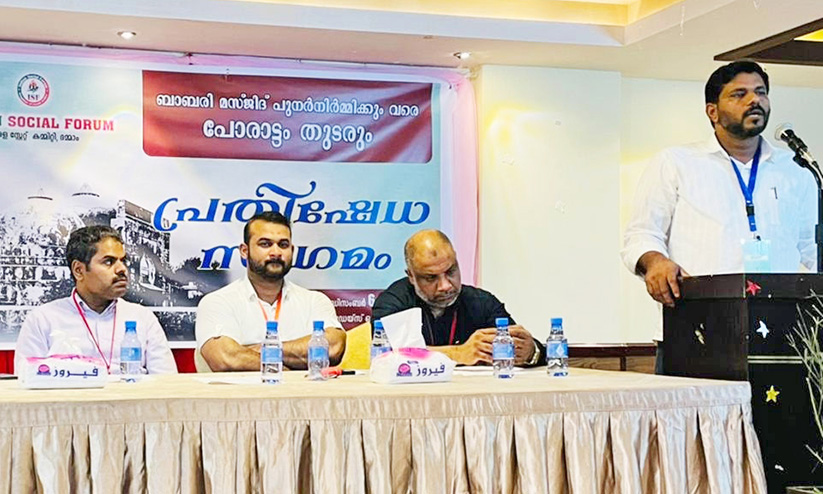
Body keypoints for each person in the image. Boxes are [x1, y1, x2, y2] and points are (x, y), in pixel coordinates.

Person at [621, 61, 816, 368]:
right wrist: (656, 262)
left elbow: (811, 247)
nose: (754, 100)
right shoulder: (677, 163)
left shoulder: (794, 170)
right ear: (712, 111)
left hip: (783, 332)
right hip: (696, 331)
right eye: (739, 94)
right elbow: (642, 234)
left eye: (761, 92)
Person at [14, 226, 177, 375]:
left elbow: (166, 382)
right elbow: (27, 381)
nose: (122, 269)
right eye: (109, 262)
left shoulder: (142, 318)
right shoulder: (43, 319)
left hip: (131, 397)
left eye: (123, 261)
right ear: (79, 270)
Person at [195, 211, 345, 372]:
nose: (276, 252)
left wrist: (254, 351)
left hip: (302, 389)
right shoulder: (218, 302)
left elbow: (333, 348)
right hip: (243, 390)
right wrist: (287, 370)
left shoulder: (315, 301)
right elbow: (226, 359)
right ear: (244, 251)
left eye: (283, 245)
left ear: (292, 250)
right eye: (265, 244)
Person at [372, 229, 545, 367]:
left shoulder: (482, 302)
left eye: (451, 271)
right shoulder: (392, 302)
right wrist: (459, 353)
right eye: (431, 278)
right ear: (411, 276)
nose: (445, 285)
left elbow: (523, 345)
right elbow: (389, 357)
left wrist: (530, 352)